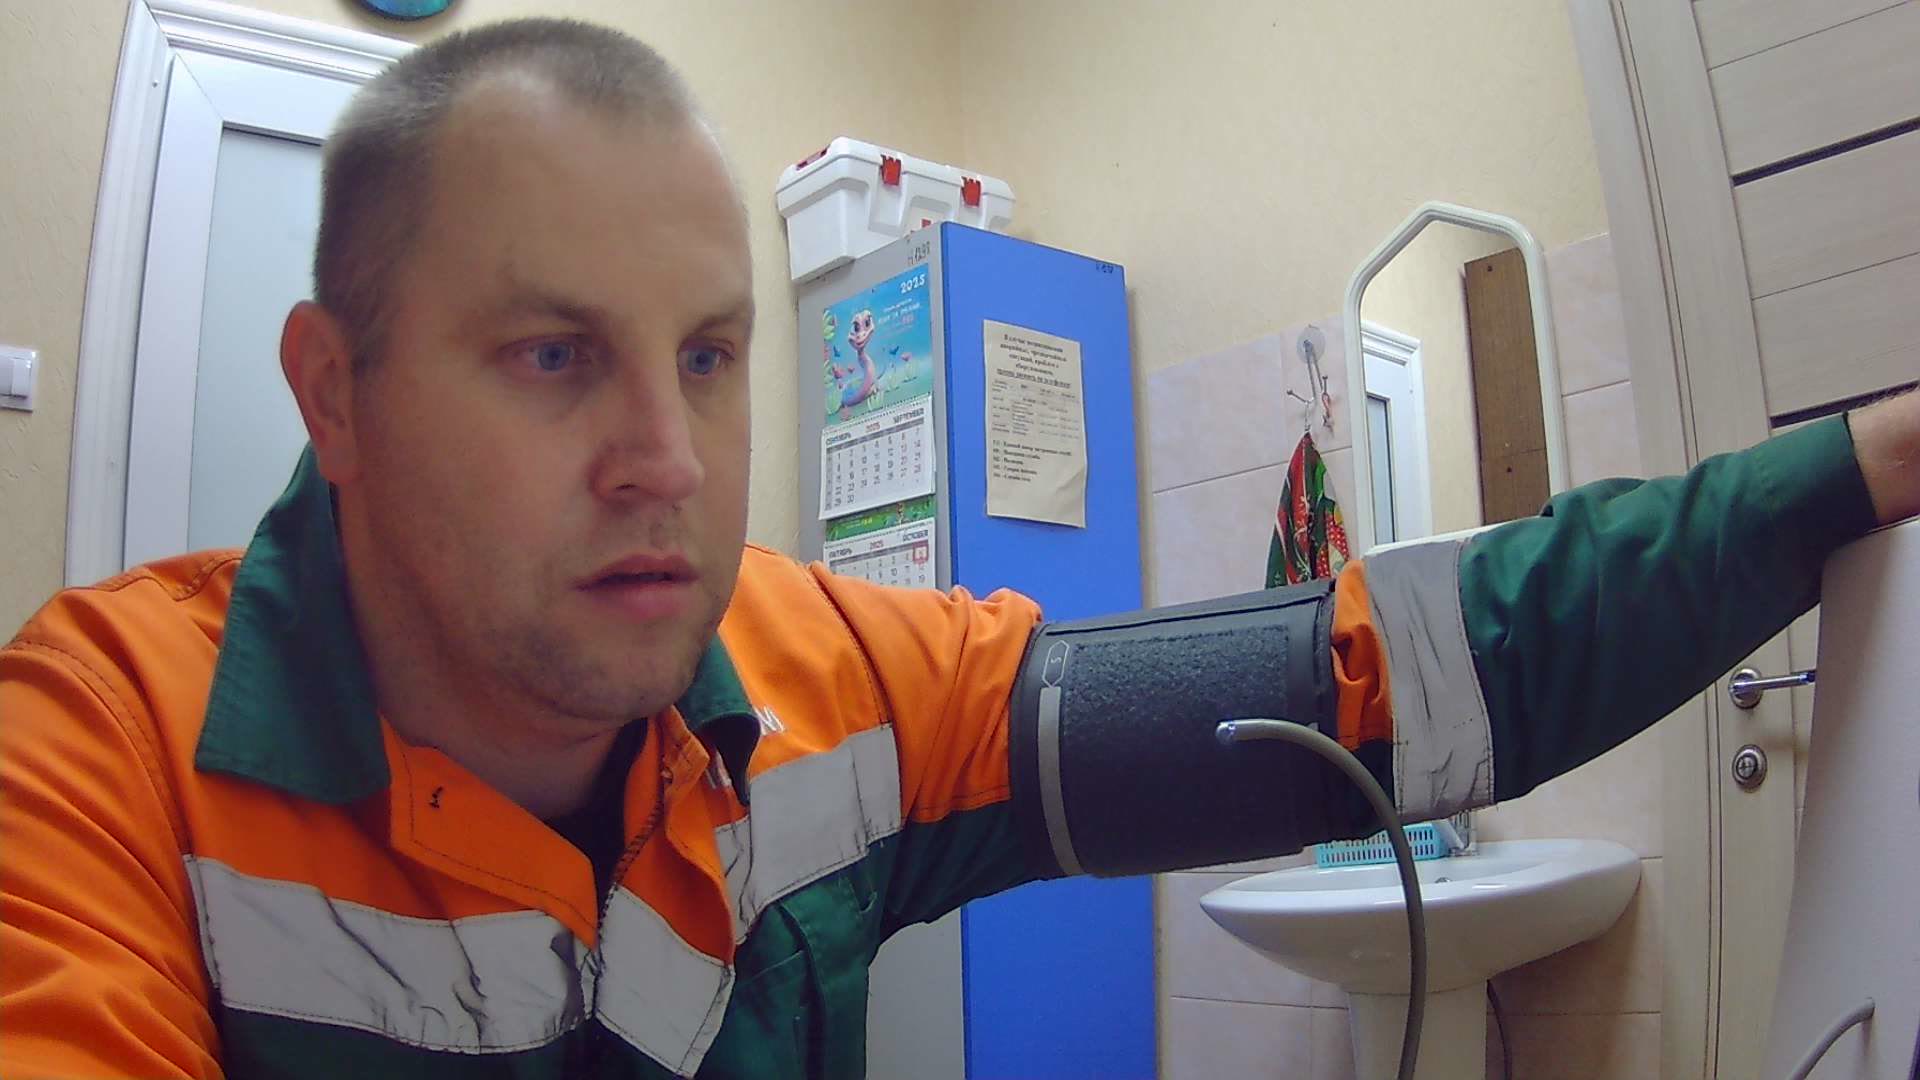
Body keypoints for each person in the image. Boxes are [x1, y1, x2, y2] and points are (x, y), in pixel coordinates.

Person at [2, 17, 1915, 1080]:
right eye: (554, 355)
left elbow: (1370, 676)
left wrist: (1843, 472)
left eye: (710, 356)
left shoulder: (832, 682)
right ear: (333, 393)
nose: (666, 461)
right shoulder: (103, 747)